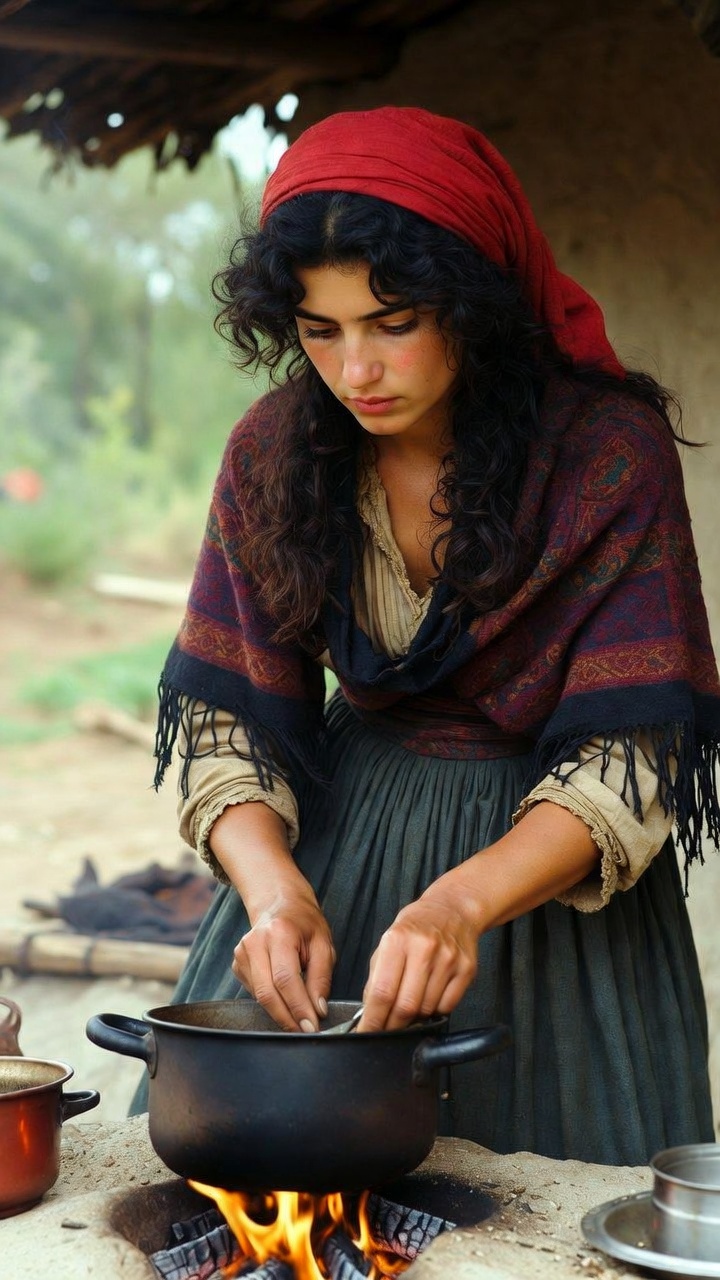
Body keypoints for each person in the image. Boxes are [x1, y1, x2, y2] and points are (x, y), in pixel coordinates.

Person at [139, 107, 720, 1165]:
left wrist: (459, 904)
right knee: (268, 1183)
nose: (356, 368)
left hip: (550, 893)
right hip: (332, 857)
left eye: (394, 320)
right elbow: (229, 720)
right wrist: (273, 891)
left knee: (551, 1216)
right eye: (321, 330)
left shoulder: (605, 455)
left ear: (473, 301)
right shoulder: (276, 450)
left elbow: (635, 756)